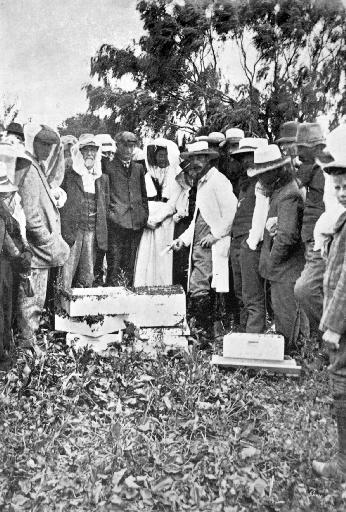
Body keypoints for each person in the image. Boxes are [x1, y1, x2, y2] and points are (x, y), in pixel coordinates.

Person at [171, 141, 237, 347]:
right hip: (200, 243)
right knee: (198, 285)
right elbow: (198, 219)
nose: (196, 163)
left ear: (208, 159)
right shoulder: (201, 183)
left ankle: (205, 335)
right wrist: (182, 240)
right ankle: (204, 333)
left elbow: (231, 212)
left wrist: (215, 235)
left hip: (212, 245)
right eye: (193, 159)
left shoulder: (219, 181)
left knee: (200, 286)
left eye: (200, 158)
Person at [15, 124, 70, 350]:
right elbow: (31, 217)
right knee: (31, 302)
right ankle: (27, 348)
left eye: (50, 145)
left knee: (35, 302)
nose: (47, 150)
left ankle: (30, 344)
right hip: (37, 252)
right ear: (32, 143)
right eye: (43, 144)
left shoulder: (37, 166)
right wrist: (48, 242)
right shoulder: (29, 169)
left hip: (41, 250)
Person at [312, 124, 346, 479]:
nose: (342, 191)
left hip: (344, 322)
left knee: (341, 381)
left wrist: (334, 325)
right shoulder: (341, 219)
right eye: (337, 186)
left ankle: (342, 463)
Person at [248, 145, 306, 352]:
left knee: (287, 315)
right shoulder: (282, 190)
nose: (260, 179)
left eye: (263, 174)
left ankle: (292, 355)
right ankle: (294, 353)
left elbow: (287, 236)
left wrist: (272, 261)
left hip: (286, 269)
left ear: (274, 171)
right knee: (286, 314)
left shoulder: (288, 194)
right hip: (283, 268)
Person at [134, 138, 187, 286]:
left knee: (163, 258)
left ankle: (163, 288)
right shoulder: (147, 175)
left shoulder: (176, 176)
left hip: (166, 223)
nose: (162, 158)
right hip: (148, 223)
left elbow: (172, 203)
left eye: (165, 155)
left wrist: (157, 218)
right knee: (146, 257)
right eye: (160, 155)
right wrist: (146, 220)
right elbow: (140, 200)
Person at [229, 137, 268, 332]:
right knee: (240, 292)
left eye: (250, 155)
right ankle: (243, 333)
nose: (246, 160)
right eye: (242, 157)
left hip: (250, 242)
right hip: (237, 239)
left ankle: (253, 339)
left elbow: (262, 216)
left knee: (252, 294)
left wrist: (251, 242)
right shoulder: (243, 182)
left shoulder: (263, 181)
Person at [60, 134, 109, 289]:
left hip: (92, 230)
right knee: (66, 272)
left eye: (93, 150)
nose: (89, 154)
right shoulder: (69, 172)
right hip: (72, 230)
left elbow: (104, 204)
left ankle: (82, 309)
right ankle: (60, 308)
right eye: (86, 150)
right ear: (80, 152)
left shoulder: (101, 177)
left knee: (88, 272)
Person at [294, 123, 329, 337]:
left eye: (301, 149)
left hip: (322, 240)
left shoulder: (321, 168)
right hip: (313, 238)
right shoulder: (315, 166)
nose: (297, 155)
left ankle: (333, 336)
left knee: (305, 290)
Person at [103, 131, 148, 286]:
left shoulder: (138, 168)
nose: (129, 150)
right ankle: (111, 302)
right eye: (126, 146)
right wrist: (112, 215)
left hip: (135, 224)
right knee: (114, 264)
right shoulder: (108, 167)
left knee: (130, 265)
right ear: (118, 146)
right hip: (116, 224)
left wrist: (144, 216)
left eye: (132, 146)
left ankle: (127, 301)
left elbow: (143, 195)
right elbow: (105, 196)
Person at [0, 159, 32, 369]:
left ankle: (6, 350)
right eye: (4, 194)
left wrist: (25, 253)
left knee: (7, 308)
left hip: (9, 267)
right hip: (3, 265)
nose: (7, 197)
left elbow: (18, 235)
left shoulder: (8, 212)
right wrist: (21, 258)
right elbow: (8, 244)